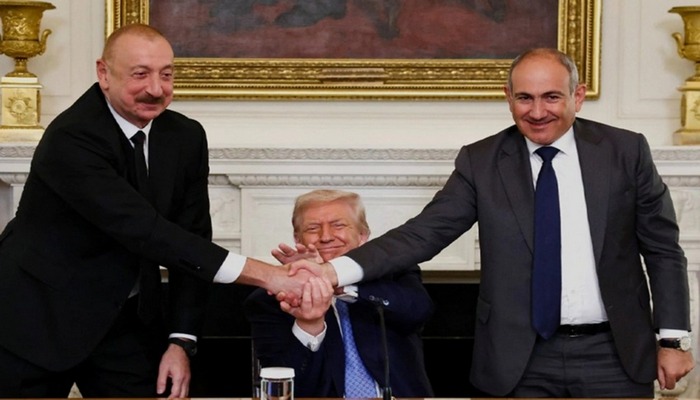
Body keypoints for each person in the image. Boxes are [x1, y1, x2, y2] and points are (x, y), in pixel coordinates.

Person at [286, 48, 695, 397]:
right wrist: (332, 271)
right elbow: (423, 234)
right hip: (519, 358)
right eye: (525, 98)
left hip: (614, 353)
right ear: (508, 98)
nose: (537, 112)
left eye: (552, 97)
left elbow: (662, 250)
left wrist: (673, 339)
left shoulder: (625, 151)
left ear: (578, 96)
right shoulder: (481, 161)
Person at [0, 23, 309, 399]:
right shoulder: (72, 137)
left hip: (125, 319)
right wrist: (270, 276)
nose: (156, 89)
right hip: (35, 318)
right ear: (104, 74)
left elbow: (192, 239)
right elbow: (149, 232)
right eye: (140, 74)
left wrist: (181, 341)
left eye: (166, 74)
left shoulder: (185, 137)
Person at [244, 189, 434, 397]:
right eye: (313, 228)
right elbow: (286, 388)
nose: (325, 237)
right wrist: (309, 324)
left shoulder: (395, 273)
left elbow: (419, 312)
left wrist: (340, 284)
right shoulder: (272, 299)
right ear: (297, 238)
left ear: (362, 235)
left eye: (338, 225)